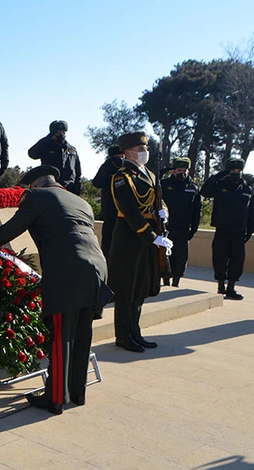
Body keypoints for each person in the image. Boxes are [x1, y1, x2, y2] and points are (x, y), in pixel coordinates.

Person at [0, 165, 108, 415]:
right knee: (81, 333)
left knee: (60, 335)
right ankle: (77, 393)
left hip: (67, 270)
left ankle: (54, 398)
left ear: (34, 185)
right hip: (97, 268)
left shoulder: (37, 197)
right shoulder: (80, 201)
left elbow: (9, 231)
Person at [108, 132, 172, 353]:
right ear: (128, 153)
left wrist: (164, 213)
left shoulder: (151, 175)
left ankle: (135, 332)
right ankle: (123, 336)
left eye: (146, 149)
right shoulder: (121, 177)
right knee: (127, 289)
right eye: (140, 149)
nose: (145, 152)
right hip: (129, 237)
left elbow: (158, 200)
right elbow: (131, 212)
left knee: (141, 288)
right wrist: (152, 237)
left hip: (148, 237)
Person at [200, 157, 254, 300]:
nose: (236, 173)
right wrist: (219, 175)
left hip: (239, 231)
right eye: (232, 170)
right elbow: (205, 191)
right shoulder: (220, 185)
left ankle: (231, 287)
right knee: (220, 258)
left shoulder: (247, 188)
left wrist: (251, 229)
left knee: (237, 260)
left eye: (238, 170)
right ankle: (220, 286)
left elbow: (252, 210)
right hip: (222, 229)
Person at [160, 157, 202, 287]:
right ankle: (165, 281)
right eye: (179, 170)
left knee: (181, 257)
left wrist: (194, 228)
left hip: (183, 228)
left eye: (184, 170)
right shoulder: (165, 184)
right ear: (173, 171)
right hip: (166, 228)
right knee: (166, 256)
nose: (182, 173)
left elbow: (197, 210)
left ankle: (176, 282)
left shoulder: (193, 187)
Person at [28, 120, 82, 195]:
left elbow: (77, 170)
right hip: (51, 187)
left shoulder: (72, 150)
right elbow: (32, 154)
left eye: (63, 132)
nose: (61, 134)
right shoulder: (46, 147)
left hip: (69, 188)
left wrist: (77, 189)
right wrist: (47, 139)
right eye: (58, 132)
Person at [91, 145, 124, 258]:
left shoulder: (126, 167)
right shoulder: (107, 167)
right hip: (110, 208)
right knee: (109, 239)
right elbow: (96, 182)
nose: (120, 159)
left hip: (124, 208)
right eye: (117, 156)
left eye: (122, 156)